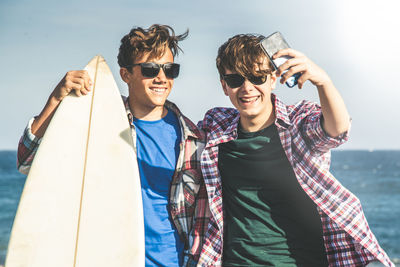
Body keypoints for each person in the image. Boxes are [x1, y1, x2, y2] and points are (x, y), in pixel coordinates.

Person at [17, 24, 209, 267]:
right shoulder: (96, 119)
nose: (161, 78)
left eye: (170, 69)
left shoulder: (193, 139)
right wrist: (56, 98)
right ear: (125, 75)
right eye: (151, 69)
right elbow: (26, 161)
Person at [197, 34, 394, 266]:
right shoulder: (216, 125)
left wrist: (323, 82)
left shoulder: (297, 123)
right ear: (224, 86)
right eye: (236, 80)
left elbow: (337, 130)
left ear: (272, 79)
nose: (247, 88)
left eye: (257, 77)